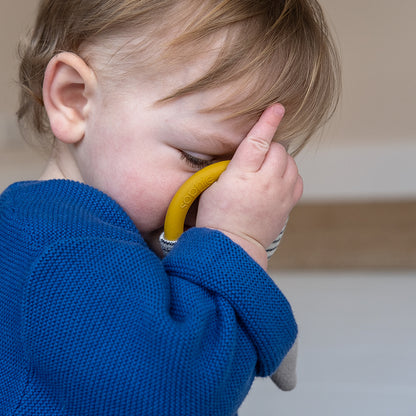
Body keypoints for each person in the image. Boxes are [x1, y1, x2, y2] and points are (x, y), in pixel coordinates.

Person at [0, 0, 340, 414]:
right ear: (73, 99)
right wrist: (237, 241)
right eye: (197, 160)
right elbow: (183, 394)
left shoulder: (60, 227)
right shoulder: (71, 257)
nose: (218, 195)